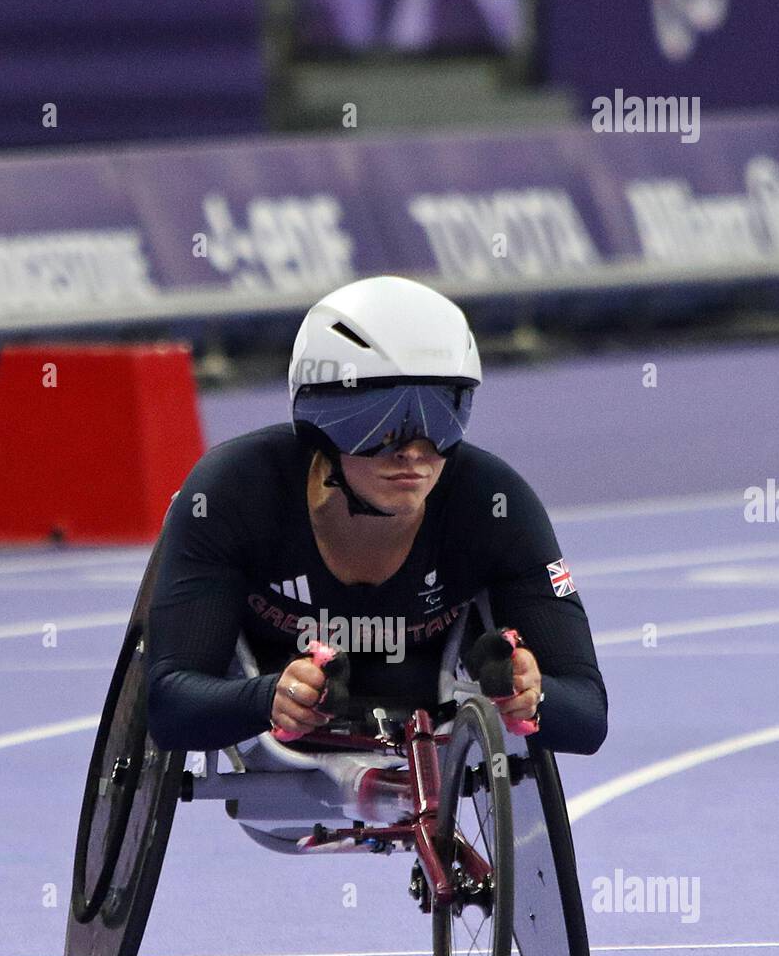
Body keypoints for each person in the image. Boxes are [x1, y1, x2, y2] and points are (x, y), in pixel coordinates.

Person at [146, 275, 607, 756]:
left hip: (426, 694)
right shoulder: (234, 490)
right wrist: (267, 697)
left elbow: (589, 715)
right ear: (320, 423)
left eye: (440, 416)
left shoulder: (496, 503)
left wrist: (535, 697)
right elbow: (170, 709)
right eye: (380, 422)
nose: (413, 451)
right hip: (273, 681)